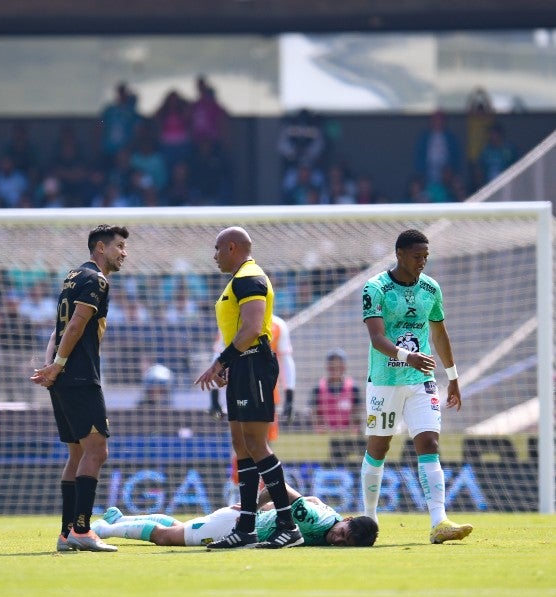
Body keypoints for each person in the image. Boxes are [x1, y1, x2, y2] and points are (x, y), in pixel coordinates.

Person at [360, 229, 473, 544]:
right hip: (384, 382)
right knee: (379, 448)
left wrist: (452, 378)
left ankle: (440, 522)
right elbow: (376, 338)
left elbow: (439, 334)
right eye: (416, 256)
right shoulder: (376, 288)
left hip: (421, 382)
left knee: (429, 445)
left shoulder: (431, 288)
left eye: (426, 256)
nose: (422, 262)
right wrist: (407, 356)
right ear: (399, 254)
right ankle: (369, 518)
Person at [195, 227, 303, 549]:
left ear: (231, 247)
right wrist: (230, 364)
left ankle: (288, 525)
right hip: (243, 365)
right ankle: (246, 529)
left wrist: (220, 362)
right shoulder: (239, 280)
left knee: (257, 445)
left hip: (254, 363)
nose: (214, 256)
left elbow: (254, 327)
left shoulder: (250, 278)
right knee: (241, 445)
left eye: (217, 249)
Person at [30, 224, 129, 552]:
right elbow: (74, 325)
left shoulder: (73, 277)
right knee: (97, 451)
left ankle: (66, 533)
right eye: (118, 247)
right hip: (80, 376)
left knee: (77, 452)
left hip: (63, 377)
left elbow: (57, 328)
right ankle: (83, 531)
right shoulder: (96, 280)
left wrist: (51, 368)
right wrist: (56, 366)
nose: (123, 253)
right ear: (100, 248)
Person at [91, 484, 378, 548]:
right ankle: (103, 530)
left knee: (181, 526)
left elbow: (313, 498)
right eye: (342, 533)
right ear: (348, 519)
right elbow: (284, 488)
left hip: (238, 522)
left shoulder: (334, 518)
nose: (337, 539)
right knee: (168, 538)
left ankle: (119, 520)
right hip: (236, 525)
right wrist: (254, 508)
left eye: (344, 542)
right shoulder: (318, 519)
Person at [310, 348, 361, 432]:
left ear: (344, 367)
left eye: (339, 365)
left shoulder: (353, 388)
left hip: (348, 436)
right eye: (332, 365)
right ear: (327, 367)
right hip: (324, 435)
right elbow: (315, 414)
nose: (335, 367)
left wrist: (348, 430)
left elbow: (357, 415)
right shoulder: (318, 388)